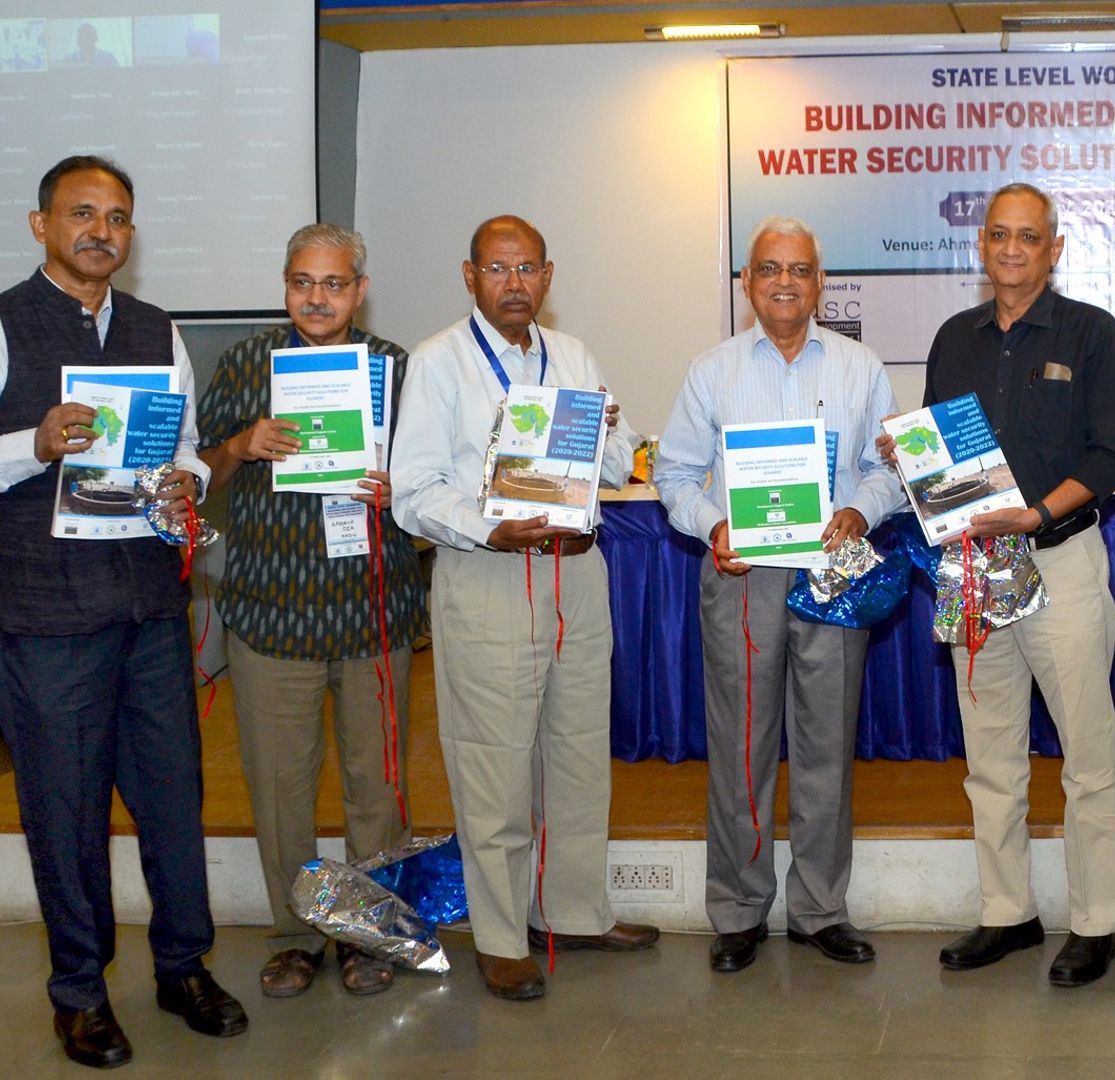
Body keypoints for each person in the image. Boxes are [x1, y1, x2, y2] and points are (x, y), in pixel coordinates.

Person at [0, 155, 244, 1068]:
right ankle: (80, 993)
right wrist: (32, 442)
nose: (102, 231)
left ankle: (183, 967)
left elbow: (179, 451)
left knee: (174, 796)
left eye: (118, 218)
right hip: (46, 618)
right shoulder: (4, 321)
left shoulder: (157, 328)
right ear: (41, 225)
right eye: (82, 214)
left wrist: (181, 491)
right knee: (65, 812)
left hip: (147, 607)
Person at [389, 215, 657, 1001]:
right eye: (498, 269)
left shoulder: (571, 355)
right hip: (490, 571)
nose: (515, 283)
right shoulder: (440, 363)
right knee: (494, 765)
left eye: (529, 269)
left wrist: (612, 428)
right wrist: (487, 525)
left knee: (577, 757)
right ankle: (503, 935)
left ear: (548, 276)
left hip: (577, 572)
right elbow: (414, 490)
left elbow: (618, 461)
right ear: (470, 276)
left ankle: (572, 912)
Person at [657, 216, 903, 972]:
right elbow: (672, 477)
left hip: (833, 576)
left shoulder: (861, 368)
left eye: (800, 269)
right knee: (741, 752)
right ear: (747, 283)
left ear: (821, 282)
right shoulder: (712, 371)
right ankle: (737, 911)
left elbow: (885, 466)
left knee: (828, 748)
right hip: (743, 580)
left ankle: (821, 910)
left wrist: (863, 508)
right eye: (769, 269)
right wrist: (714, 525)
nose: (785, 282)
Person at [196, 223, 428, 998]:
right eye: (303, 282)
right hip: (272, 618)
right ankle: (297, 933)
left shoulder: (398, 370)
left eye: (333, 284)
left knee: (377, 790)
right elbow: (200, 476)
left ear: (359, 289)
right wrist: (241, 442)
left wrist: (402, 491)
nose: (317, 297)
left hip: (373, 618)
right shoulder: (243, 363)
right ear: (286, 286)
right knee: (280, 792)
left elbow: (432, 482)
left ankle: (369, 935)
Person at [913, 181, 1115, 987]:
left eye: (1028, 237)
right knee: (990, 753)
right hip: (974, 564)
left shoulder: (1092, 333)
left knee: (1087, 751)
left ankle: (1097, 922)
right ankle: (1007, 911)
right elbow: (937, 447)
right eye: (999, 235)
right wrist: (914, 464)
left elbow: (1114, 456)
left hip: (1062, 558)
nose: (1012, 249)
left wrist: (1038, 515)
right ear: (982, 246)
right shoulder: (953, 337)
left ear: (1055, 248)